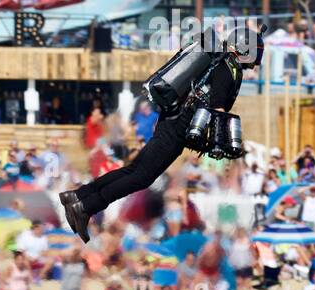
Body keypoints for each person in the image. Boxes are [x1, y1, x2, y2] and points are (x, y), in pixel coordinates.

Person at [62, 25, 263, 240]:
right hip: (178, 127)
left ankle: (78, 196)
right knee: (141, 176)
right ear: (244, 49)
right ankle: (84, 207)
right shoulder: (228, 69)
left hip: (174, 122)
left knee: (134, 171)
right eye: (256, 51)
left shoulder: (219, 62)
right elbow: (217, 110)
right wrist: (225, 145)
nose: (258, 58)